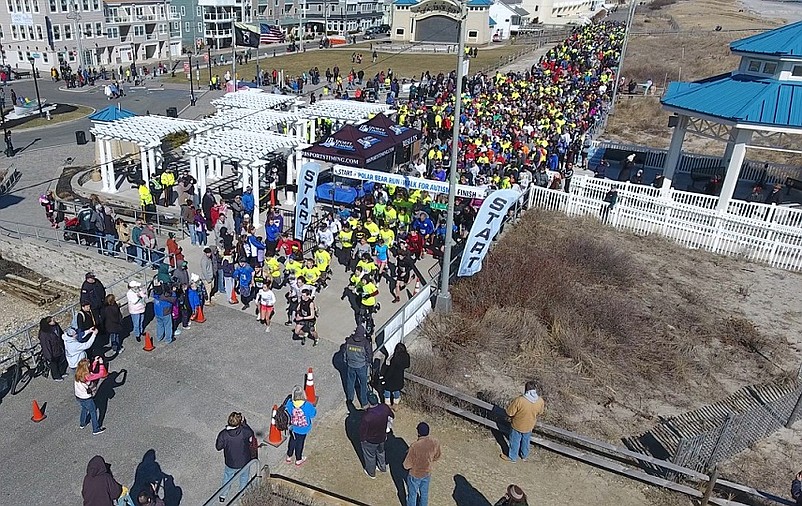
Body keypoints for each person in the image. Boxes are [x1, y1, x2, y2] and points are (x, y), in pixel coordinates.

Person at [215, 412, 255, 503]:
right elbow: (251, 434)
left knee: (227, 477)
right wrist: (245, 425)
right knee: (244, 477)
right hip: (244, 461)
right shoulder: (244, 431)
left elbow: (218, 447)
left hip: (230, 462)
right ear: (239, 422)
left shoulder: (223, 434)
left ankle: (223, 495)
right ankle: (242, 494)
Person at [501, 381, 545, 463]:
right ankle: (524, 456)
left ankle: (513, 457)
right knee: (526, 441)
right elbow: (540, 412)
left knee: (515, 441)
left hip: (517, 424)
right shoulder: (540, 401)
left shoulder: (520, 400)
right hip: (530, 425)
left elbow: (510, 412)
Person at [403, 422, 441, 506]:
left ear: (418, 432)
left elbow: (406, 465)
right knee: (424, 494)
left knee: (412, 495)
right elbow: (437, 456)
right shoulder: (435, 442)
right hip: (427, 473)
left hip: (415, 474)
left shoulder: (415, 446)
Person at [360, 393, 394, 478]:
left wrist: (362, 439)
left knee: (370, 456)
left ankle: (371, 472)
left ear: (369, 402)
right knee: (381, 452)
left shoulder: (367, 417)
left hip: (370, 441)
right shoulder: (385, 408)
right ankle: (382, 467)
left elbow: (363, 431)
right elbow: (392, 416)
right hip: (382, 437)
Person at [285, 385, 317, 466]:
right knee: (300, 442)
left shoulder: (290, 403)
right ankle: (298, 459)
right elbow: (313, 414)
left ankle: (289, 456)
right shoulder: (307, 405)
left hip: (293, 427)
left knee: (292, 440)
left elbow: (287, 411)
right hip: (304, 428)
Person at [74, 357, 107, 435]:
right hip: (86, 398)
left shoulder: (78, 373)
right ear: (86, 368)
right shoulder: (87, 376)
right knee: (93, 412)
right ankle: (95, 429)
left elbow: (90, 370)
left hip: (78, 396)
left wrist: (95, 362)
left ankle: (82, 423)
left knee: (84, 408)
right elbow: (101, 374)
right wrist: (101, 363)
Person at [345, 324, 372, 408]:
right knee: (363, 385)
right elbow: (370, 354)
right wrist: (367, 363)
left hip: (350, 365)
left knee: (350, 382)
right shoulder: (365, 342)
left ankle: (350, 400)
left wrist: (347, 362)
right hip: (361, 366)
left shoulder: (349, 341)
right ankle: (364, 403)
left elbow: (345, 354)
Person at [38, 316, 67, 381]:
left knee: (61, 361)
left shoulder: (56, 326)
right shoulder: (44, 333)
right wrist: (49, 356)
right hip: (52, 351)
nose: (54, 321)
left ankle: (62, 372)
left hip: (58, 347)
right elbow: (45, 345)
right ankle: (56, 376)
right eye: (52, 321)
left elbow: (61, 333)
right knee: (54, 364)